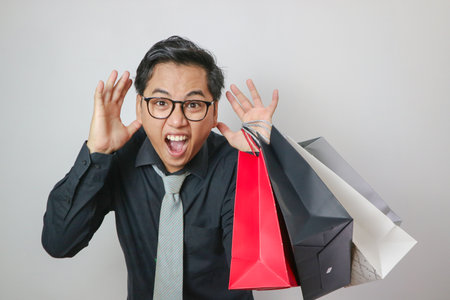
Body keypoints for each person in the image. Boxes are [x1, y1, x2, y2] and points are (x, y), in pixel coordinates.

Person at [42, 36, 278, 300]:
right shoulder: (120, 158)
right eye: (161, 103)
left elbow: (260, 267)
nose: (177, 121)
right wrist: (97, 152)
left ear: (213, 114)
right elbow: (59, 242)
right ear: (140, 109)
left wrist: (263, 161)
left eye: (193, 105)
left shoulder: (236, 163)